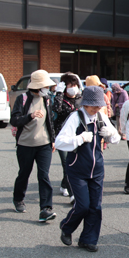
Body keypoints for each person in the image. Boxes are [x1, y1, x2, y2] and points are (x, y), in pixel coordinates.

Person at [55, 86, 120, 252]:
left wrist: (110, 134)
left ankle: (88, 239)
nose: (96, 108)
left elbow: (116, 138)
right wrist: (80, 138)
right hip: (77, 169)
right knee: (83, 205)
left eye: (98, 105)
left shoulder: (101, 116)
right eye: (93, 105)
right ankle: (67, 227)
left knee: (95, 207)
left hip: (97, 169)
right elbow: (60, 142)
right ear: (84, 104)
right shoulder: (75, 117)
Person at [11, 69, 57, 222]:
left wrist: (53, 139)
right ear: (37, 86)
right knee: (24, 173)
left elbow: (50, 121)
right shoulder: (22, 98)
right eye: (45, 86)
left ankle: (46, 208)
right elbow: (15, 120)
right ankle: (18, 199)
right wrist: (30, 116)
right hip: (25, 144)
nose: (47, 89)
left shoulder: (47, 99)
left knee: (43, 175)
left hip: (44, 144)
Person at [52, 72, 82, 204]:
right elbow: (56, 109)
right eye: (70, 85)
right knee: (67, 164)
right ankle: (73, 195)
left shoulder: (80, 98)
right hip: (62, 135)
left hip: (77, 135)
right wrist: (58, 93)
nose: (73, 88)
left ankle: (64, 185)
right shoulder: (60, 99)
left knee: (74, 163)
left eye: (75, 85)